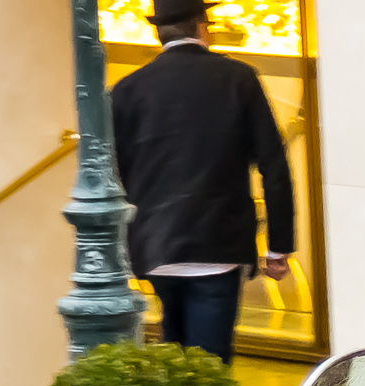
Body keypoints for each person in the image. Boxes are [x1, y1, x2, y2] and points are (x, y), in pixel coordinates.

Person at [111, 0, 293, 364]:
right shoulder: (238, 78)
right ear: (202, 26)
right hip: (218, 245)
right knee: (210, 367)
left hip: (155, 247)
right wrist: (278, 248)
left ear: (159, 33)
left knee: (174, 358)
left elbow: (117, 171)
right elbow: (273, 165)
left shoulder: (127, 89)